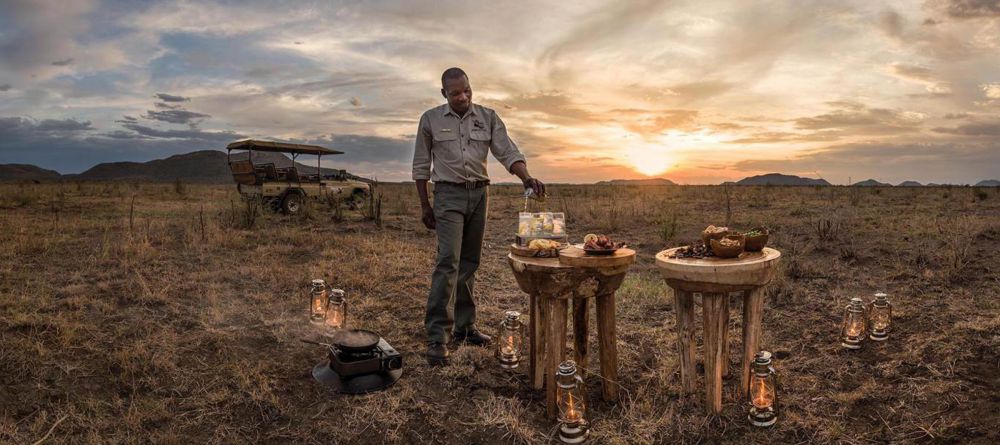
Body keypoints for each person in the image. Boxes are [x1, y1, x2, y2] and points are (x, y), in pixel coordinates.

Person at [412, 67, 545, 365]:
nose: (463, 97)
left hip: (479, 194)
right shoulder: (430, 120)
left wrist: (526, 177)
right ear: (444, 93)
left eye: (467, 90)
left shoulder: (488, 117)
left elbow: (506, 151)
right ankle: (437, 335)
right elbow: (421, 165)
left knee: (470, 262)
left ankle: (465, 326)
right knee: (448, 261)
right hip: (448, 195)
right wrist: (425, 205)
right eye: (455, 93)